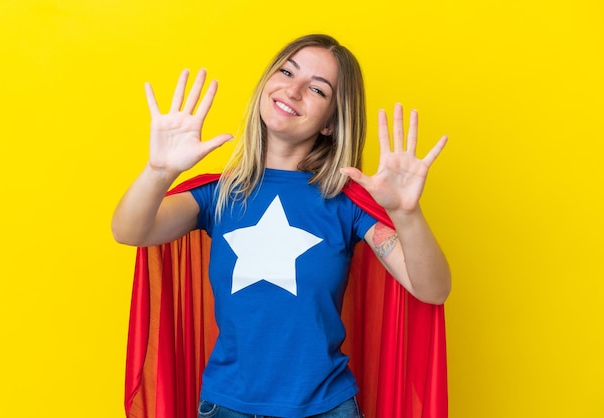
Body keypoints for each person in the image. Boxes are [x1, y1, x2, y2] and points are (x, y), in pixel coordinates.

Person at [112, 34, 450, 418]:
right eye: (287, 71)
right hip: (227, 406)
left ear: (331, 124)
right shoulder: (218, 194)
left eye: (317, 89)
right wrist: (159, 171)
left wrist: (407, 214)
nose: (293, 89)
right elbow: (129, 231)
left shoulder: (346, 202)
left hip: (327, 408)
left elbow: (432, 289)